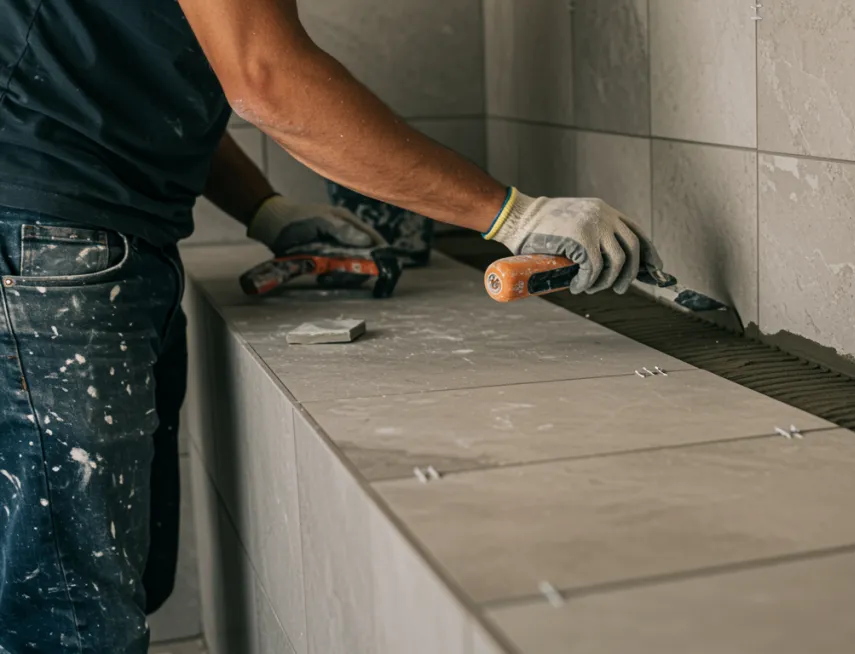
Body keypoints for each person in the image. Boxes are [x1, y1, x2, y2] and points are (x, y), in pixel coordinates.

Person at [0, 0, 660, 651]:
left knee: (98, 589)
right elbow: (265, 78)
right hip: (49, 249)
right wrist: (510, 214)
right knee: (71, 617)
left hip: (77, 243)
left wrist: (264, 208)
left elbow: (143, 78)